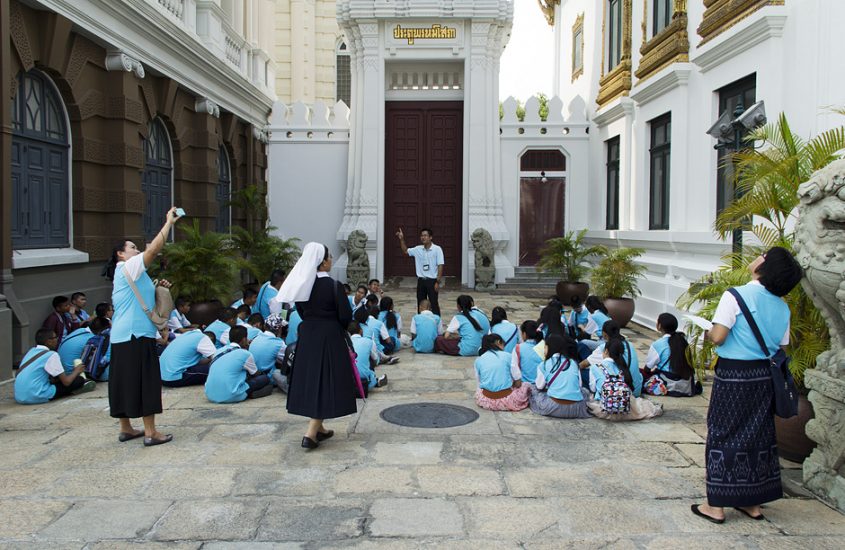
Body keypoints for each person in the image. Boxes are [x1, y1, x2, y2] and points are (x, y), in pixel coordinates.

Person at [691, 247, 802, 524]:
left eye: (763, 255)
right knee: (758, 434)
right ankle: (752, 502)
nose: (758, 257)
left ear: (764, 266)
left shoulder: (736, 295)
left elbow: (718, 337)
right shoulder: (782, 306)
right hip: (764, 376)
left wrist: (707, 331)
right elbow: (783, 346)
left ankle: (715, 505)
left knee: (723, 432)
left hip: (734, 375)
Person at [103, 206, 181, 446]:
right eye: (132, 248)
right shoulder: (129, 266)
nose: (137, 251)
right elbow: (155, 249)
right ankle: (150, 432)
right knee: (145, 381)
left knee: (123, 381)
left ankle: (126, 428)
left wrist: (157, 285)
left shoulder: (125, 272)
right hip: (137, 335)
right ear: (121, 254)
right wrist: (168, 223)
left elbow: (142, 295)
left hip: (122, 335)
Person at [272, 242, 358, 449]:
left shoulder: (302, 285)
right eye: (329, 257)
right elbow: (345, 316)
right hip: (329, 335)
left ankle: (319, 428)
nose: (330, 260)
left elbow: (301, 312)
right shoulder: (334, 286)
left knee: (314, 378)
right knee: (327, 380)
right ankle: (310, 433)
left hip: (308, 335)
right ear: (322, 262)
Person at [586, 337, 662, 421]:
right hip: (624, 407)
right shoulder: (622, 368)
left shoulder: (595, 367)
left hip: (603, 408)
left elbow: (593, 388)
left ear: (606, 351)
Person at [14, 329, 95, 404]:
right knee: (78, 380)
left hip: (20, 397)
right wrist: (76, 371)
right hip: (36, 396)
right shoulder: (51, 354)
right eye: (55, 337)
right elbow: (66, 382)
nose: (57, 340)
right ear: (49, 341)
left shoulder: (31, 351)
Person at [204, 325, 273, 403]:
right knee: (265, 378)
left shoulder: (218, 351)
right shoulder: (245, 354)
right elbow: (255, 374)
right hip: (231, 395)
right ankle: (249, 393)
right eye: (247, 338)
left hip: (210, 395)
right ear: (244, 340)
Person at [528, 334, 590, 418]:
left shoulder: (544, 364)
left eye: (545, 347)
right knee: (585, 391)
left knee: (533, 389)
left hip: (553, 407)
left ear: (548, 348)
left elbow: (539, 386)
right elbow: (579, 386)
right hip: (576, 408)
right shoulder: (573, 363)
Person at [581, 320, 643, 397]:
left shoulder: (604, 348)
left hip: (619, 393)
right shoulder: (630, 345)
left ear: (604, 334)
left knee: (582, 373)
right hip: (636, 391)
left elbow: (583, 364)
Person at [643, 313, 699, 397]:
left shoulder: (658, 344)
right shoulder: (683, 341)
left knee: (642, 376)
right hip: (686, 382)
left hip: (667, 380)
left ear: (659, 325)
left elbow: (648, 367)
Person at [396, 227, 444, 315]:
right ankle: (421, 321)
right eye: (422, 236)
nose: (423, 237)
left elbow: (440, 265)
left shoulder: (437, 249)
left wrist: (438, 281)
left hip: (432, 281)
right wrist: (402, 239)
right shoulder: (418, 249)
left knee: (433, 303)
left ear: (430, 237)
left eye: (425, 235)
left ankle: (437, 323)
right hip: (421, 281)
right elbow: (406, 251)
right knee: (420, 303)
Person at [474, 334, 529, 411]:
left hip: (486, 400)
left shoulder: (478, 360)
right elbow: (518, 381)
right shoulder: (508, 356)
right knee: (526, 386)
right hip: (507, 400)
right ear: (498, 342)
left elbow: (479, 384)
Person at [348, 321, 387, 393]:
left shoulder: (345, 343)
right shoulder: (368, 342)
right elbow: (376, 360)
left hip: (348, 380)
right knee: (370, 358)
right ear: (361, 330)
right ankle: (374, 381)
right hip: (364, 380)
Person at [251, 314, 288, 390]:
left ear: (265, 326)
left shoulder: (257, 337)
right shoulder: (278, 343)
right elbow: (289, 360)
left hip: (254, 375)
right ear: (279, 329)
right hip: (267, 377)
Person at [512, 320, 544, 385]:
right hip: (541, 386)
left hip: (524, 386)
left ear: (524, 334)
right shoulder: (544, 347)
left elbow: (514, 367)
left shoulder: (518, 348)